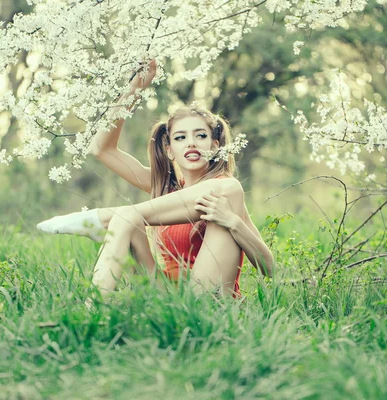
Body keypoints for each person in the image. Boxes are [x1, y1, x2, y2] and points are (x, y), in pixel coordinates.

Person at [37, 60, 274, 298]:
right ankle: (94, 313)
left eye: (200, 135)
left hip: (209, 301)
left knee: (228, 188)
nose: (191, 142)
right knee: (126, 218)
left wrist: (232, 222)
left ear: (214, 146)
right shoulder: (164, 187)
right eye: (180, 138)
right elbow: (102, 149)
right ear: (170, 150)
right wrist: (134, 89)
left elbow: (269, 268)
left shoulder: (227, 193)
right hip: (166, 300)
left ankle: (101, 218)